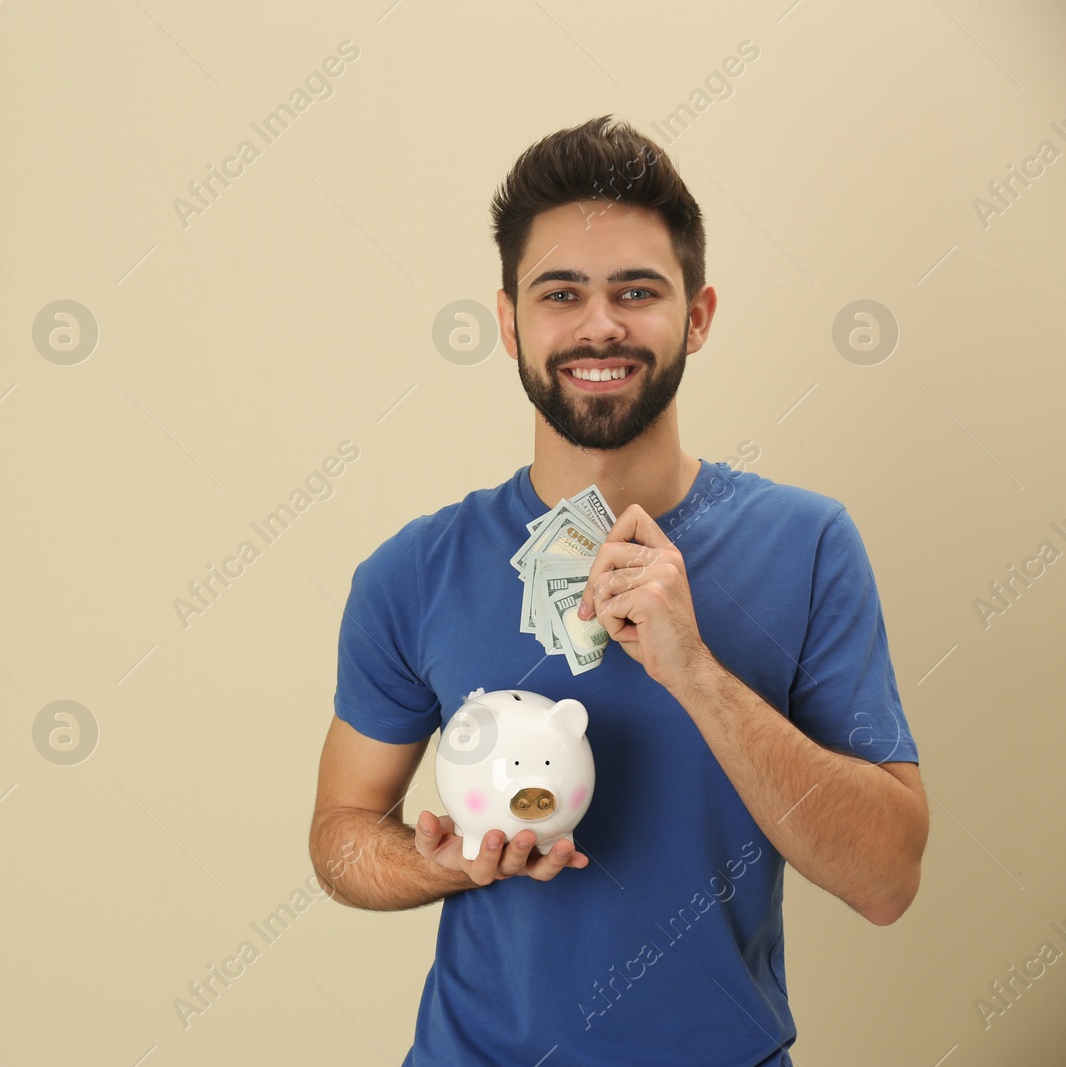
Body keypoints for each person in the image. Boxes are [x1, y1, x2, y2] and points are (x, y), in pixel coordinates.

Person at [307, 115, 928, 1066]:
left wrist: (697, 674)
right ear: (510, 321)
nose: (600, 324)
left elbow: (887, 877)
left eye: (637, 291)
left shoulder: (809, 545)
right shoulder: (411, 571)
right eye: (562, 293)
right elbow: (340, 837)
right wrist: (436, 863)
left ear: (699, 315)